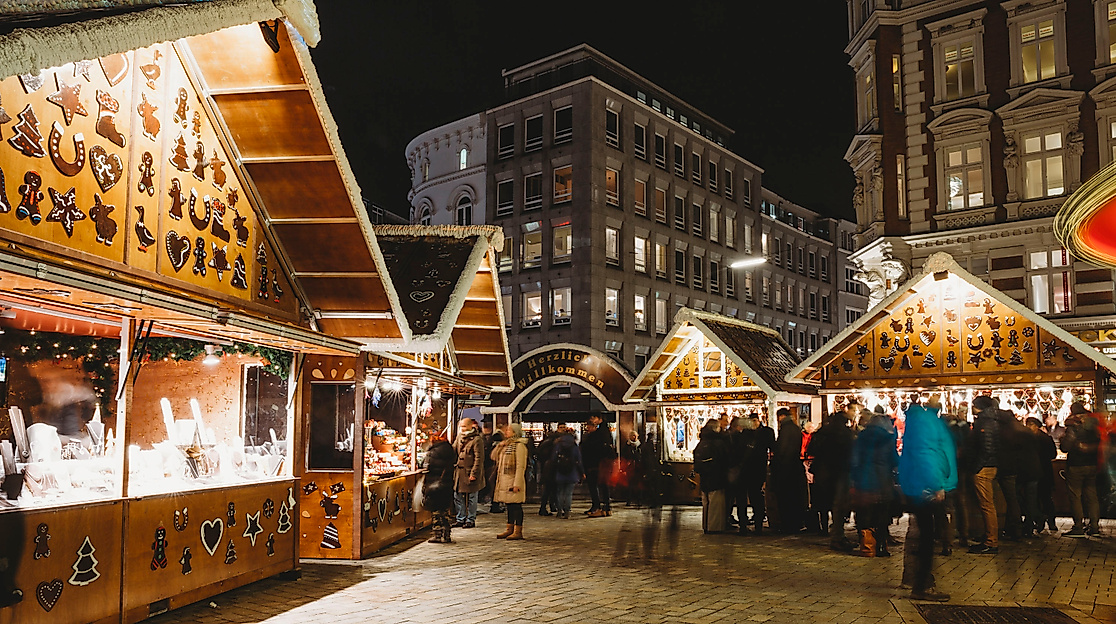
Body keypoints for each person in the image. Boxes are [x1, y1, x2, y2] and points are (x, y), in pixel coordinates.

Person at [898, 395, 956, 602]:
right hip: (925, 488)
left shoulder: (920, 421)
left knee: (924, 536)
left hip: (919, 485)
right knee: (925, 538)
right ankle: (921, 585)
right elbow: (926, 456)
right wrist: (936, 485)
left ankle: (919, 582)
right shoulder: (925, 422)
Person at [808, 402, 857, 551]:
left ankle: (828, 532)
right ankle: (837, 537)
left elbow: (811, 449)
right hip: (839, 472)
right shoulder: (844, 434)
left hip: (823, 472)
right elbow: (851, 453)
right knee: (839, 505)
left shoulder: (822, 432)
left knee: (824, 503)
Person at [850, 406, 898, 557]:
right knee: (882, 514)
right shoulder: (888, 439)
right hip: (883, 480)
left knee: (864, 513)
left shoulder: (860, 438)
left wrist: (854, 477)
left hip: (864, 480)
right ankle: (882, 546)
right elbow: (895, 460)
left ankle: (867, 546)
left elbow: (854, 460)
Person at [1061, 403, 1101, 537]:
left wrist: (1063, 441)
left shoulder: (1073, 424)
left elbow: (1066, 446)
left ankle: (1078, 526)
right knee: (1092, 496)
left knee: (1075, 496)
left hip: (1076, 464)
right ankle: (1094, 526)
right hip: (1092, 463)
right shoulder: (1094, 423)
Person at [968, 395, 1000, 554]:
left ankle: (991, 541)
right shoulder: (990, 420)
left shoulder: (986, 423)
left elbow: (987, 448)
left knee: (987, 505)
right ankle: (988, 536)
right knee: (986, 504)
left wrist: (977, 467)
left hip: (984, 468)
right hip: (987, 466)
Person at [772, 408, 808, 534]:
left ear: (781, 416)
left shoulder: (785, 429)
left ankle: (787, 524)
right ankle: (796, 523)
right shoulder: (796, 428)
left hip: (785, 469)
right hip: (794, 467)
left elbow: (782, 449)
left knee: (785, 498)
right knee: (794, 497)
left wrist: (776, 463)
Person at [693, 419, 730, 534]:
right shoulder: (718, 442)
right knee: (716, 503)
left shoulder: (702, 441)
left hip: (704, 476)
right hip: (717, 476)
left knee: (706, 502)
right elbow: (724, 459)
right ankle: (714, 527)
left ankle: (706, 525)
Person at [492, 423, 529, 540]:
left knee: (516, 506)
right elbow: (493, 457)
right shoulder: (507, 445)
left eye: (509, 430)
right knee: (509, 506)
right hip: (505, 479)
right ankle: (509, 528)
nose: (506, 432)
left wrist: (517, 483)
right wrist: (499, 446)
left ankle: (518, 531)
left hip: (513, 479)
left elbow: (520, 466)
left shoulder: (519, 446)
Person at [741, 413, 775, 534]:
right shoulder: (745, 433)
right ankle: (744, 525)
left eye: (755, 420)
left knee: (756, 496)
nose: (753, 423)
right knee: (744, 498)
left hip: (758, 468)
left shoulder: (766, 432)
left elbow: (772, 447)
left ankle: (758, 523)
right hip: (745, 469)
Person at [422, 432, 459, 543]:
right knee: (444, 510)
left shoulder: (433, 452)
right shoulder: (450, 450)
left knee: (436, 511)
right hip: (447, 483)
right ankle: (447, 534)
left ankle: (437, 534)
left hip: (434, 483)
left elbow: (426, 466)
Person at [580, 415, 617, 517]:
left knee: (596, 486)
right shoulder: (604, 433)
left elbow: (591, 451)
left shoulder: (597, 435)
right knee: (603, 486)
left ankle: (599, 508)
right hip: (601, 464)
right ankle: (605, 508)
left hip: (595, 464)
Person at [452, 418, 486, 529]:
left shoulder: (477, 440)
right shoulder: (459, 437)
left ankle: (471, 519)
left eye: (464, 426)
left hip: (469, 472)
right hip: (459, 472)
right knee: (458, 496)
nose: (462, 428)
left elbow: (479, 458)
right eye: (461, 426)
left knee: (472, 497)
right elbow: (454, 450)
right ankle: (460, 518)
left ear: (470, 426)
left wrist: (474, 473)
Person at [996, 408, 1023, 541]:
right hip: (1013, 468)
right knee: (1012, 499)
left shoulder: (1000, 432)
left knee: (1005, 499)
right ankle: (1015, 528)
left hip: (1003, 468)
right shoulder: (1016, 431)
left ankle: (1007, 528)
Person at [1032, 416, 1059, 533]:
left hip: (1036, 471)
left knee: (1037, 497)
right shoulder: (1047, 438)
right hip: (1046, 470)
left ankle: (1040, 521)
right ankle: (1051, 522)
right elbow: (1053, 455)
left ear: (1034, 426)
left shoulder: (1032, 439)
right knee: (1046, 497)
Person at [551, 425, 584, 519]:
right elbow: (579, 460)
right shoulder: (574, 445)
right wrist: (582, 472)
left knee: (560, 492)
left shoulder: (558, 445)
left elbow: (553, 458)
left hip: (560, 472)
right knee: (568, 493)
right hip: (572, 472)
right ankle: (567, 511)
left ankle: (559, 510)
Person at [536, 429, 559, 516]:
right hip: (551, 469)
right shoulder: (552, 445)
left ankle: (546, 507)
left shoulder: (544, 444)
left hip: (545, 469)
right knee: (551, 489)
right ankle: (548, 507)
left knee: (548, 489)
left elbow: (539, 455)